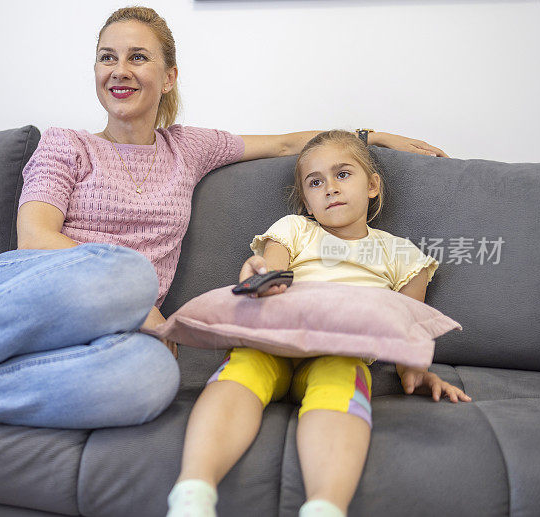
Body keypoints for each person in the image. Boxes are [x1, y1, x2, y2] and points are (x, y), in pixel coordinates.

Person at [0, 7, 449, 430]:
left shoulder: (188, 148)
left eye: (137, 56)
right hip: (25, 297)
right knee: (127, 273)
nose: (118, 69)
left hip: (107, 338)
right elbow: (36, 239)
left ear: (168, 73)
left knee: (150, 381)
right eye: (107, 55)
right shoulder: (65, 143)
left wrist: (368, 134)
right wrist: (138, 304)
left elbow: (284, 143)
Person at [165, 129, 472, 517]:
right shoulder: (294, 229)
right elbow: (269, 272)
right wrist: (257, 274)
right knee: (241, 371)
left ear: (373, 185)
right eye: (316, 182)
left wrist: (417, 369)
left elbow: (408, 326)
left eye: (343, 174)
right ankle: (193, 492)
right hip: (273, 343)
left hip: (341, 355)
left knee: (340, 382)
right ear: (307, 203)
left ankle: (325, 506)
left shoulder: (402, 254)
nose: (330, 188)